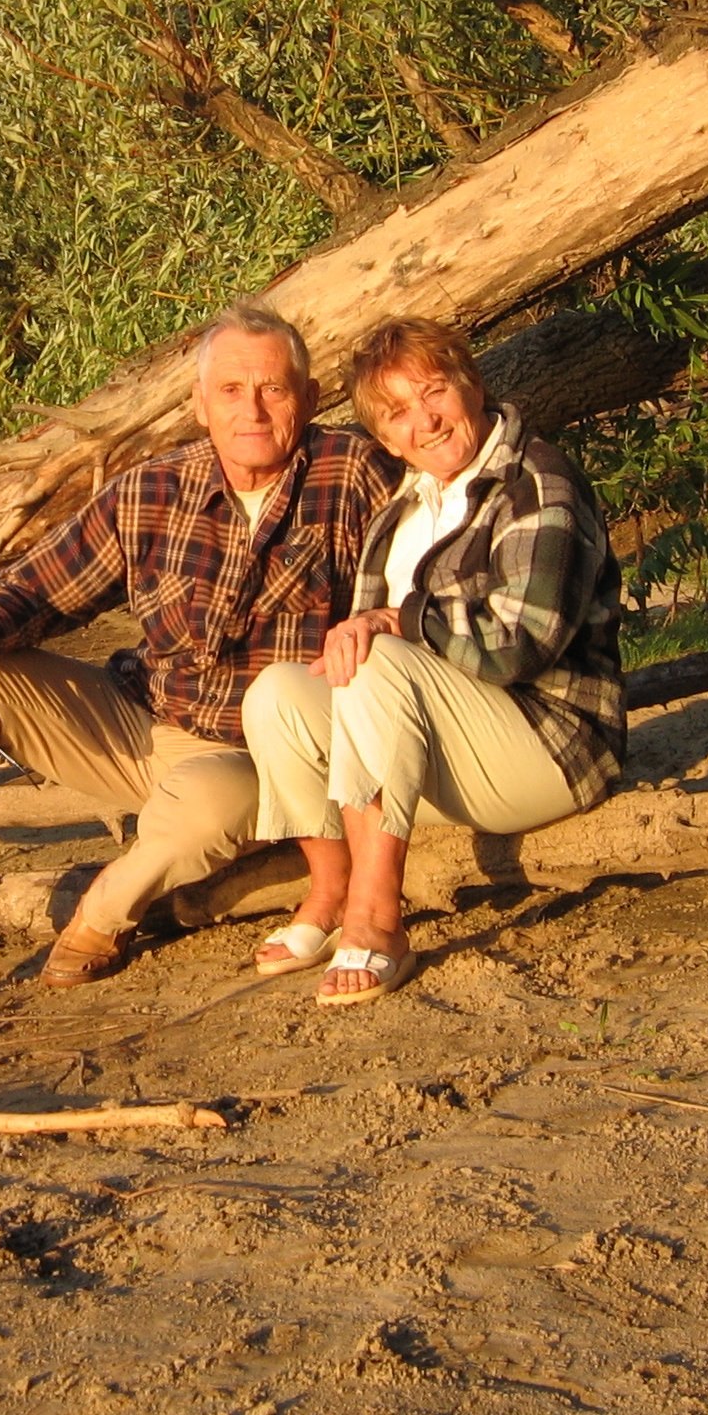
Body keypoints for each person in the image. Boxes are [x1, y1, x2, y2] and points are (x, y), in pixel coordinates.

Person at [0, 301, 398, 1027]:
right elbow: (37, 587)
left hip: (256, 758)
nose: (251, 410)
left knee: (213, 803)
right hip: (134, 720)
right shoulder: (150, 490)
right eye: (230, 391)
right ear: (199, 405)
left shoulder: (352, 474)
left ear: (308, 398)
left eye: (272, 390)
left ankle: (105, 910)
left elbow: (414, 594)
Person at [241, 316, 624, 1004]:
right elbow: (364, 653)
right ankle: (330, 892)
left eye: (435, 392)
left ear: (472, 387)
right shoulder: (400, 511)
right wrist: (368, 632)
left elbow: (520, 646)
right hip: (448, 752)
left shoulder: (536, 480)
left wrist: (404, 619)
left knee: (377, 655)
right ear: (385, 438)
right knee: (278, 691)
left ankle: (378, 919)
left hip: (550, 744)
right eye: (399, 413)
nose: (427, 420)